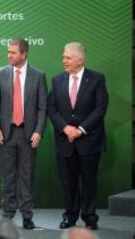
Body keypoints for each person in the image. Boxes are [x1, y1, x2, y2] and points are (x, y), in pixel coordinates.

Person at [48, 42, 109, 230]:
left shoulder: (97, 79)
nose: (63, 60)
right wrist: (65, 128)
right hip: (65, 141)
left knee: (89, 182)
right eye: (63, 56)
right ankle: (70, 216)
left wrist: (80, 129)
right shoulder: (57, 80)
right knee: (69, 182)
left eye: (68, 57)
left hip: (89, 142)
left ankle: (90, 217)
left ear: (80, 60)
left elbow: (100, 109)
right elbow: (52, 108)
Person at [0, 38, 47, 230]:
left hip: (28, 134)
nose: (9, 55)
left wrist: (38, 131)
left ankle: (27, 215)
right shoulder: (0, 73)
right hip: (6, 134)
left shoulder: (38, 75)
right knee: (7, 177)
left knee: (27, 176)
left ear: (24, 54)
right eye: (8, 52)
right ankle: (7, 214)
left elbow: (42, 107)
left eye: (13, 52)